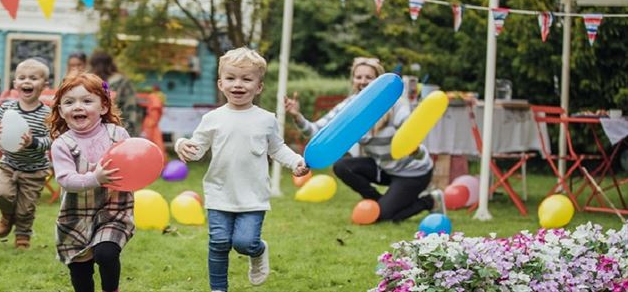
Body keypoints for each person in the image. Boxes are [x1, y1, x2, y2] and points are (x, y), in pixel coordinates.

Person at [175, 47, 309, 292]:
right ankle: (218, 289)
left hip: (253, 195)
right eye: (231, 78)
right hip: (219, 191)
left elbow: (277, 148)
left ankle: (258, 250)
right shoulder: (212, 118)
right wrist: (182, 144)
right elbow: (197, 147)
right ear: (220, 83)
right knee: (218, 242)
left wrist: (296, 162)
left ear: (258, 87)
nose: (238, 84)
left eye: (246, 79)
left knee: (245, 242)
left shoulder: (266, 119)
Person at [284, 57, 443, 222]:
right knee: (342, 166)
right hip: (384, 168)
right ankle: (377, 201)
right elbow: (317, 133)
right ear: (353, 80)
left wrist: (414, 150)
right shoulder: (349, 107)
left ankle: (431, 201)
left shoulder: (395, 105)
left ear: (378, 81)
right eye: (358, 77)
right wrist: (298, 117)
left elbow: (410, 133)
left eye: (369, 77)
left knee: (383, 217)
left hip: (412, 171)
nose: (363, 81)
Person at [48, 72, 133, 292]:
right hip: (76, 215)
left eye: (87, 101)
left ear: (103, 107)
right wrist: (96, 178)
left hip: (113, 209)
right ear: (61, 111)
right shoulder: (62, 145)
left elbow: (134, 162)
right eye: (69, 102)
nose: (78, 106)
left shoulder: (118, 134)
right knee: (80, 267)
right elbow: (66, 180)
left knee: (106, 253)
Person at [0, 59, 52, 249]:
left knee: (26, 207)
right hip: (9, 164)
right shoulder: (7, 108)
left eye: (33, 78)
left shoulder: (46, 113)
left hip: (35, 169)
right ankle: (7, 216)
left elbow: (50, 140)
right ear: (15, 84)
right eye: (22, 78)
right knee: (1, 194)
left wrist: (32, 142)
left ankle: (23, 235)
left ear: (44, 85)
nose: (27, 81)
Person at [90, 51, 140, 136]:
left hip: (96, 133)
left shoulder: (92, 83)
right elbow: (131, 110)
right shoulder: (123, 82)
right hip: (118, 131)